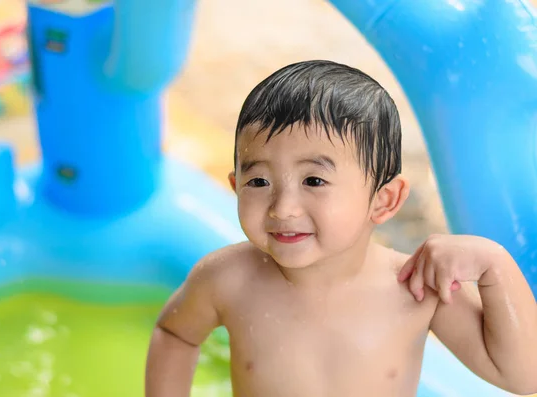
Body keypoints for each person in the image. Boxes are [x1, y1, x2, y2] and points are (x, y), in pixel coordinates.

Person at [145, 60, 537, 396]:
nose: (283, 208)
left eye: (314, 181)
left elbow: (523, 377)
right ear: (235, 187)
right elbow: (176, 334)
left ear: (384, 200)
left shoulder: (416, 288)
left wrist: (493, 264)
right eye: (259, 182)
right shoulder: (226, 279)